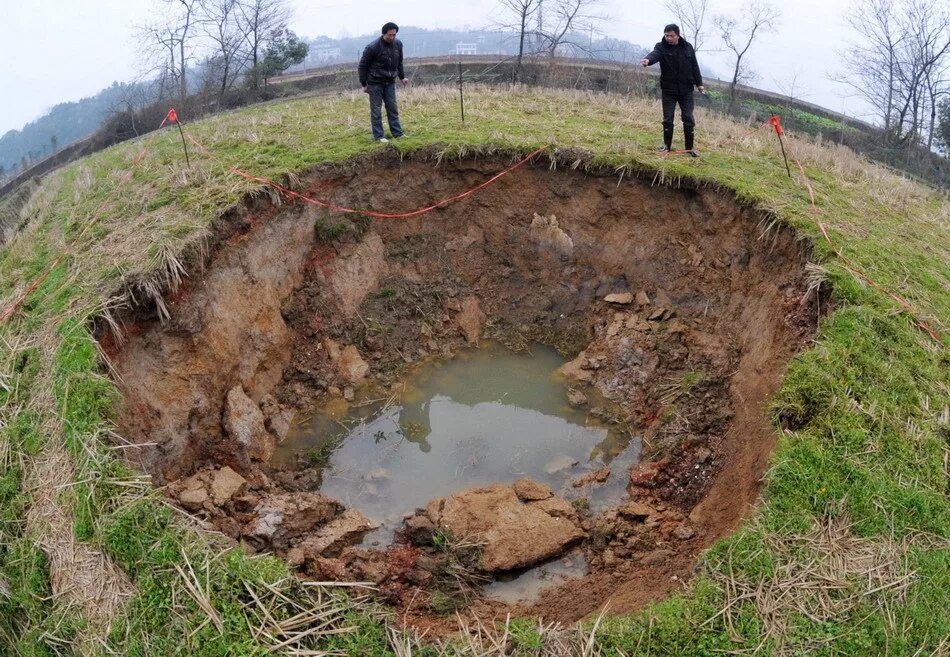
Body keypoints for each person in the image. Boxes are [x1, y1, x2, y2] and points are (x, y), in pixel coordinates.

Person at [641, 24, 705, 157]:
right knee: (668, 119)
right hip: (668, 90)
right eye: (666, 35)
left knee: (688, 118)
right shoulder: (661, 47)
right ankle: (666, 147)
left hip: (686, 90)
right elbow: (654, 55)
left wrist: (699, 84)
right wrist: (648, 60)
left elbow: (694, 65)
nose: (668, 38)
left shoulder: (687, 47)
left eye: (671, 35)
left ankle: (689, 148)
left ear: (678, 35)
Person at [359, 22, 409, 142]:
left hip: (390, 82)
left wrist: (402, 77)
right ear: (383, 34)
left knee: (392, 108)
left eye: (394, 35)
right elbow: (362, 66)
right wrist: (364, 84)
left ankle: (397, 133)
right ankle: (379, 136)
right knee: (376, 110)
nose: (392, 37)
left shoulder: (398, 44)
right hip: (375, 82)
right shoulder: (372, 47)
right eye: (389, 35)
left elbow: (399, 62)